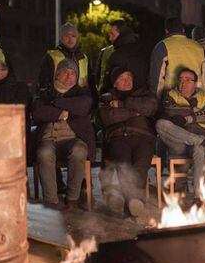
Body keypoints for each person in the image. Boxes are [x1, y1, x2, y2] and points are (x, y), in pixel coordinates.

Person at [33, 59, 95, 210]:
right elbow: (38, 112)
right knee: (44, 152)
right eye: (65, 72)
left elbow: (83, 106)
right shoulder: (44, 92)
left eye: (73, 73)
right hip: (48, 139)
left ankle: (72, 198)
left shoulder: (82, 92)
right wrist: (63, 113)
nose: (69, 76)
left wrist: (55, 102)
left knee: (79, 150)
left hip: (73, 139)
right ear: (57, 75)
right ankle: (51, 201)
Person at [156, 68, 205, 198]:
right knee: (161, 124)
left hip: (203, 132)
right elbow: (171, 111)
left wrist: (188, 117)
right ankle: (199, 140)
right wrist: (198, 111)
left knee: (200, 150)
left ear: (195, 83)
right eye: (180, 80)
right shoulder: (170, 95)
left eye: (187, 80)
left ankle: (199, 196)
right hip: (179, 139)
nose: (183, 83)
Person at [98, 67, 157, 217]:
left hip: (143, 137)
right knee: (123, 164)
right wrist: (135, 111)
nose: (127, 81)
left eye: (129, 78)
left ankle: (129, 203)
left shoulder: (144, 93)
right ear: (115, 83)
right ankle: (135, 202)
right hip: (117, 137)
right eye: (122, 78)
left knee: (140, 165)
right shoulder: (106, 97)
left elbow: (150, 107)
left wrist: (122, 104)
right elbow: (107, 117)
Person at [39, 22, 97, 105]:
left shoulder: (83, 57)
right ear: (61, 38)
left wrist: (94, 101)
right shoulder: (52, 56)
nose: (70, 39)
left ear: (77, 38)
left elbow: (91, 82)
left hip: (80, 100)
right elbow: (43, 81)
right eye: (66, 36)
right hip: (59, 99)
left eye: (73, 36)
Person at [149, 17, 205, 99]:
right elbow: (204, 76)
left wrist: (156, 98)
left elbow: (157, 78)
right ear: (183, 30)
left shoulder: (162, 46)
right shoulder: (198, 47)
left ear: (166, 30)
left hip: (172, 97)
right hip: (196, 96)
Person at [100, 20, 149, 95]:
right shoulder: (143, 49)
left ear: (122, 34)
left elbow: (108, 82)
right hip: (143, 98)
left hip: (122, 99)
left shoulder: (117, 55)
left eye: (112, 34)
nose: (110, 38)